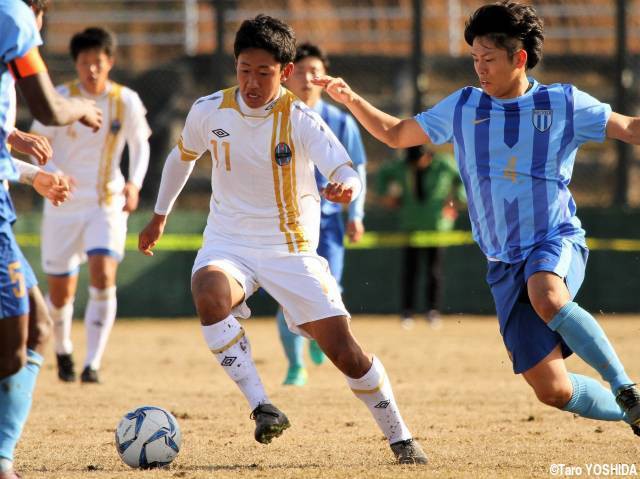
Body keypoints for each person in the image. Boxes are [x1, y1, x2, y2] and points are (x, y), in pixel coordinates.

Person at [313, 1, 640, 437]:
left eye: (488, 59)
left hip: (553, 239)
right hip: (502, 264)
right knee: (553, 390)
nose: (479, 69)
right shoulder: (464, 105)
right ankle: (633, 414)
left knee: (546, 293)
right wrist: (350, 98)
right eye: (474, 60)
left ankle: (625, 388)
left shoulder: (561, 102)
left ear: (519, 58)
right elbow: (396, 134)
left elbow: (629, 128)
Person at [139, 15, 427, 465]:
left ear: (285, 72)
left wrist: (346, 188)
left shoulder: (301, 117)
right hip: (228, 242)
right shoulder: (209, 109)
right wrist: (159, 216)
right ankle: (262, 405)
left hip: (290, 248)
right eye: (244, 70)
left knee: (345, 353)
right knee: (208, 292)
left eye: (264, 72)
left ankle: (401, 437)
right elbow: (182, 159)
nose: (252, 82)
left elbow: (345, 168)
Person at [0, 0, 102, 476]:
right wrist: (81, 105)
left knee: (37, 328)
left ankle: (3, 460)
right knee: (15, 344)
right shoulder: (14, 14)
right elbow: (49, 104)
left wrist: (21, 163)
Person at [31, 26, 151, 384]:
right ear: (76, 64)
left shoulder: (124, 100)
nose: (92, 70)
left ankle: (92, 363)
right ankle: (64, 350)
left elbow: (139, 144)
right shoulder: (58, 99)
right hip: (62, 202)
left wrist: (134, 183)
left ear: (110, 62)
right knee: (60, 293)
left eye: (98, 62)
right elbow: (37, 145)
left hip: (106, 201)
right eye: (85, 63)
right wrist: (53, 175)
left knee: (103, 273)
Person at [276, 41, 367, 386]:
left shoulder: (340, 121)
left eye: (315, 71)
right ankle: (295, 366)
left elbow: (357, 167)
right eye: (299, 71)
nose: (307, 77)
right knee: (288, 296)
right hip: (287, 223)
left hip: (327, 224)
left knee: (330, 290)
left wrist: (355, 213)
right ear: (286, 75)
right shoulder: (276, 118)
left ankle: (320, 337)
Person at [376, 146, 464, 329]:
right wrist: (387, 196)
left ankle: (433, 311)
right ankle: (407, 312)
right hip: (411, 224)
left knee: (434, 271)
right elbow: (383, 175)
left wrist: (456, 200)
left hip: (437, 227)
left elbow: (463, 178)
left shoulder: (445, 165)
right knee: (410, 271)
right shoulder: (402, 166)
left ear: (427, 155)